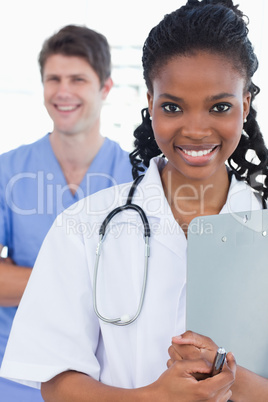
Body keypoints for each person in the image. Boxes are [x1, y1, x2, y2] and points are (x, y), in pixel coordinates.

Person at [1, 0, 268, 400]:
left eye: (220, 106)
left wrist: (231, 377)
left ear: (245, 104)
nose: (196, 129)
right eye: (173, 107)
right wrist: (154, 397)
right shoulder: (86, 225)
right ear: (150, 102)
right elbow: (56, 382)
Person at [0, 25, 133, 401]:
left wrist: (32, 282)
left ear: (105, 88)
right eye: (53, 79)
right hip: (17, 375)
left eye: (78, 79)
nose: (63, 91)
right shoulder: (8, 171)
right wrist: (92, 284)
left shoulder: (137, 176)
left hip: (110, 379)